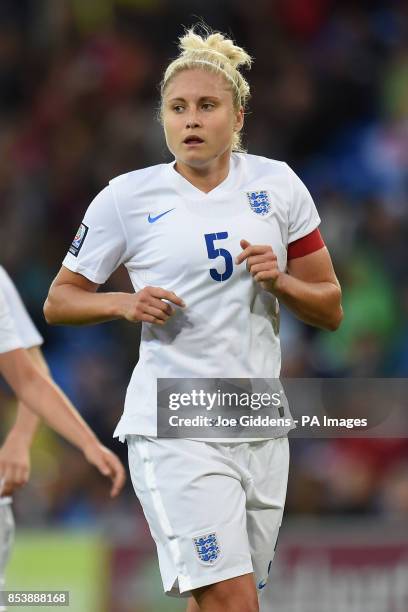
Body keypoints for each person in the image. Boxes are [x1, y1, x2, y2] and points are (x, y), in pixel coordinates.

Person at [44, 25, 342, 612]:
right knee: (232, 599)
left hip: (259, 424)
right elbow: (60, 299)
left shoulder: (278, 185)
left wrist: (280, 280)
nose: (191, 120)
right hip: (174, 425)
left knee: (219, 599)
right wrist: (122, 302)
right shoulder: (126, 199)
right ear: (162, 119)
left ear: (238, 116)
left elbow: (330, 304)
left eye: (208, 106)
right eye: (177, 108)